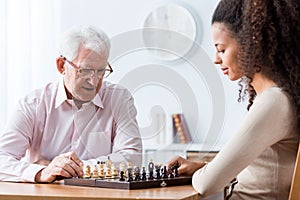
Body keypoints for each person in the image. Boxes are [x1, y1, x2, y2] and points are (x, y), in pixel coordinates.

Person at [167, 0, 300, 199]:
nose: (216, 59)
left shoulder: (274, 102)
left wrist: (202, 174)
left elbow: (206, 184)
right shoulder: (281, 97)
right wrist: (204, 167)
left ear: (251, 42)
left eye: (221, 49)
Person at [0, 26, 142, 183]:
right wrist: (41, 172)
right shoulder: (33, 104)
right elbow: (2, 159)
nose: (94, 81)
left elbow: (132, 157)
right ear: (61, 66)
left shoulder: (119, 99)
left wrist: (72, 169)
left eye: (101, 71)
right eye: (85, 70)